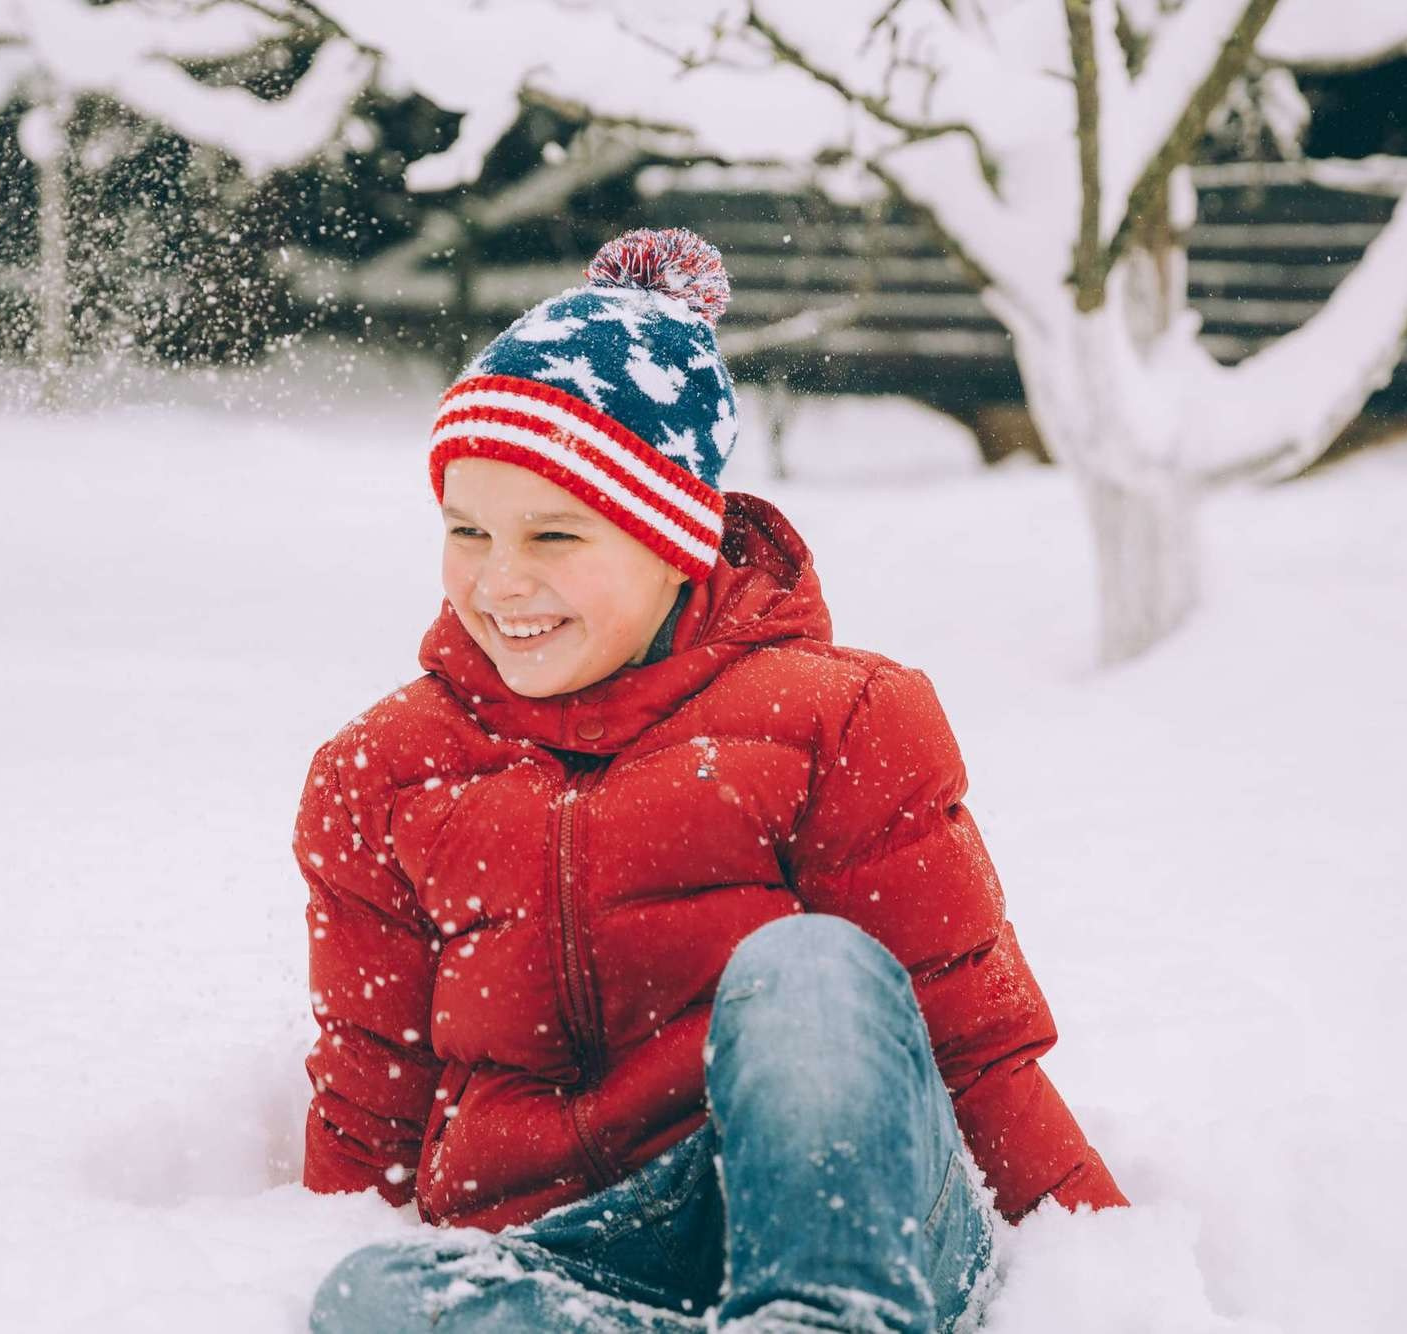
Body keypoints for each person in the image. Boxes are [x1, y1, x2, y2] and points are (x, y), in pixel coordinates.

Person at [297, 228, 1126, 1332]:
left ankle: (821, 1313)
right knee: (368, 1295)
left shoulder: (836, 717)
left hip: (846, 1220)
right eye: (466, 529)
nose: (500, 580)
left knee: (810, 965)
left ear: (674, 538)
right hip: (573, 1259)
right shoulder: (385, 770)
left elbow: (967, 1043)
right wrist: (307, 1242)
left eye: (554, 532)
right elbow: (371, 1095)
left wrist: (1117, 1276)